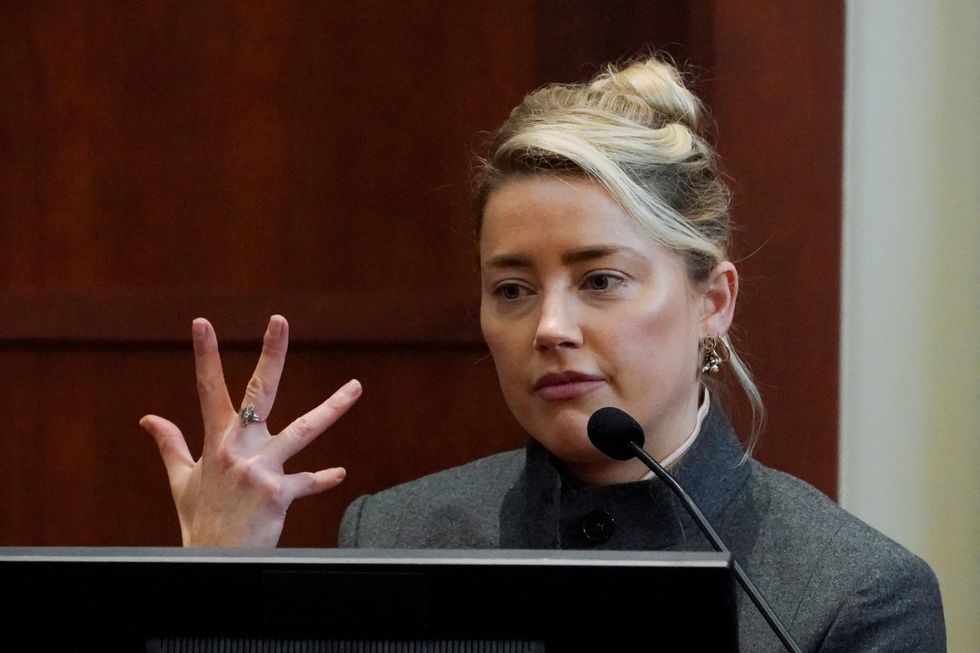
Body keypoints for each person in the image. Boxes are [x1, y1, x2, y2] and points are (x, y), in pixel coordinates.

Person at [141, 56, 946, 652]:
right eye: (513, 289)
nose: (549, 327)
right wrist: (220, 580)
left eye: (600, 279)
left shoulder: (853, 592)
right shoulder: (403, 532)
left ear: (714, 300)